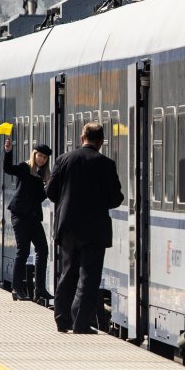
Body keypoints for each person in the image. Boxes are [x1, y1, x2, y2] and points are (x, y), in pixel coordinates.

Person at [45, 122, 124, 334]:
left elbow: (51, 193)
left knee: (68, 272)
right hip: (94, 229)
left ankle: (62, 320)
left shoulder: (64, 160)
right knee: (89, 277)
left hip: (68, 226)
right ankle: (80, 323)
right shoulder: (106, 163)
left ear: (82, 138)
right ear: (101, 142)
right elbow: (116, 198)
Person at [2, 137, 52, 303]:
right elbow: (8, 169)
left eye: (45, 158)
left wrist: (48, 186)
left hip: (33, 216)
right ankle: (16, 288)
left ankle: (40, 288)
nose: (42, 159)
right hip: (20, 214)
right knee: (22, 250)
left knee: (43, 249)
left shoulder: (42, 176)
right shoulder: (25, 168)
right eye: (40, 156)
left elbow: (40, 197)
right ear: (34, 154)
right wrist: (8, 152)